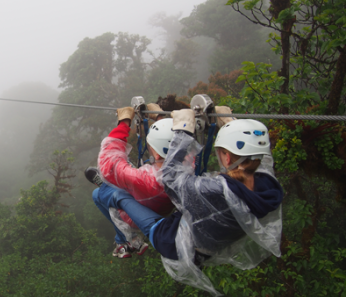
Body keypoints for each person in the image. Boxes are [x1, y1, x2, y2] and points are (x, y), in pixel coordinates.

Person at [101, 108, 283, 296]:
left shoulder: (213, 191)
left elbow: (170, 177)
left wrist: (183, 131)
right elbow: (263, 160)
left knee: (117, 196)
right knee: (116, 195)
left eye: (220, 152)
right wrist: (230, 123)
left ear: (227, 157)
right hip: (200, 243)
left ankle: (124, 240)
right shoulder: (267, 190)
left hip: (169, 239)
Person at [87, 103, 175, 258]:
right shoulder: (186, 166)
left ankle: (125, 239)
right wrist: (161, 118)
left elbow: (110, 163)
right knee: (127, 172)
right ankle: (128, 239)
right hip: (163, 208)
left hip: (137, 214)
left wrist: (124, 122)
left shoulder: (145, 179)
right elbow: (177, 143)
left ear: (157, 154)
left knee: (99, 194)